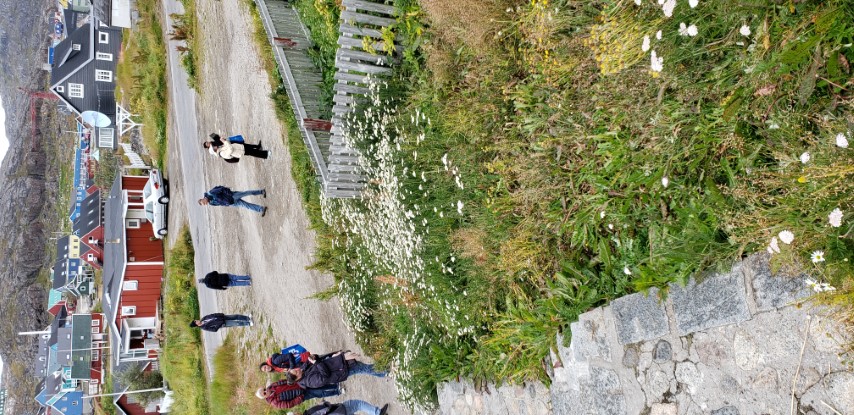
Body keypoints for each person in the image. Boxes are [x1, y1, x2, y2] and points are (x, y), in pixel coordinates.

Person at [289, 351, 387, 389]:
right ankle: (385, 371)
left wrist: (313, 357)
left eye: (295, 369)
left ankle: (383, 371)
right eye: (296, 372)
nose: (298, 369)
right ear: (297, 378)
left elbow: (313, 360)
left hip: (337, 362)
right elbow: (325, 376)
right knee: (362, 368)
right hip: (340, 371)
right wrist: (316, 363)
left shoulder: (303, 370)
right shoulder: (309, 382)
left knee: (362, 367)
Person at [255, 380, 340, 409]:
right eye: (264, 393)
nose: (266, 391)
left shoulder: (272, 386)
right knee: (320, 393)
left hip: (300, 384)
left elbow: (284, 381)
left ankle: (335, 385)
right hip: (301, 395)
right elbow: (289, 404)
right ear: (264, 397)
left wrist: (294, 380)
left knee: (318, 385)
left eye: (264, 389)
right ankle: (337, 392)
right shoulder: (274, 402)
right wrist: (300, 398)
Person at [198, 185, 268, 216]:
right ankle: (261, 209)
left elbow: (221, 189)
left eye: (204, 202)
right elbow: (220, 203)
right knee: (246, 206)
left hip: (232, 196)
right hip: (232, 203)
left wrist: (230, 194)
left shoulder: (211, 193)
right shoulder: (211, 203)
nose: (205, 204)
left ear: (203, 199)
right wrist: (227, 204)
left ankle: (261, 191)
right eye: (204, 204)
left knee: (246, 193)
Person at [204, 133, 268, 162]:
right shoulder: (221, 153)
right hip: (238, 150)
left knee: (248, 148)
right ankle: (264, 154)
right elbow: (230, 149)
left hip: (236, 147)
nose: (208, 143)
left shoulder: (218, 147)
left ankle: (259, 148)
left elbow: (218, 138)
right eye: (207, 144)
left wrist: (221, 139)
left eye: (207, 142)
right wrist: (224, 141)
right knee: (252, 152)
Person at [296, 400, 389, 415]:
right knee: (358, 404)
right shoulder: (310, 412)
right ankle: (378, 412)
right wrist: (325, 403)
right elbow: (326, 408)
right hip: (339, 411)